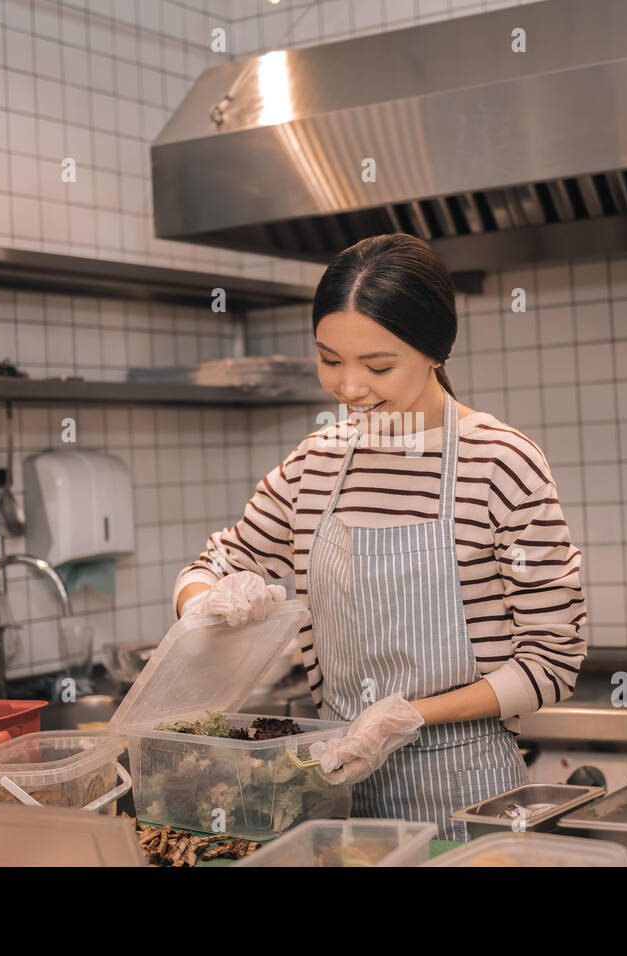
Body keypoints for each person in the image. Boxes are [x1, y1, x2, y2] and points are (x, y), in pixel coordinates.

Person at [173, 233, 586, 841]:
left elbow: (552, 663)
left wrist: (407, 717)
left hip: (468, 794)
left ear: (434, 350)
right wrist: (207, 603)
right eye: (330, 359)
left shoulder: (500, 461)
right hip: (335, 790)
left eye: (379, 365)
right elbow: (211, 563)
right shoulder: (315, 462)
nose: (349, 388)